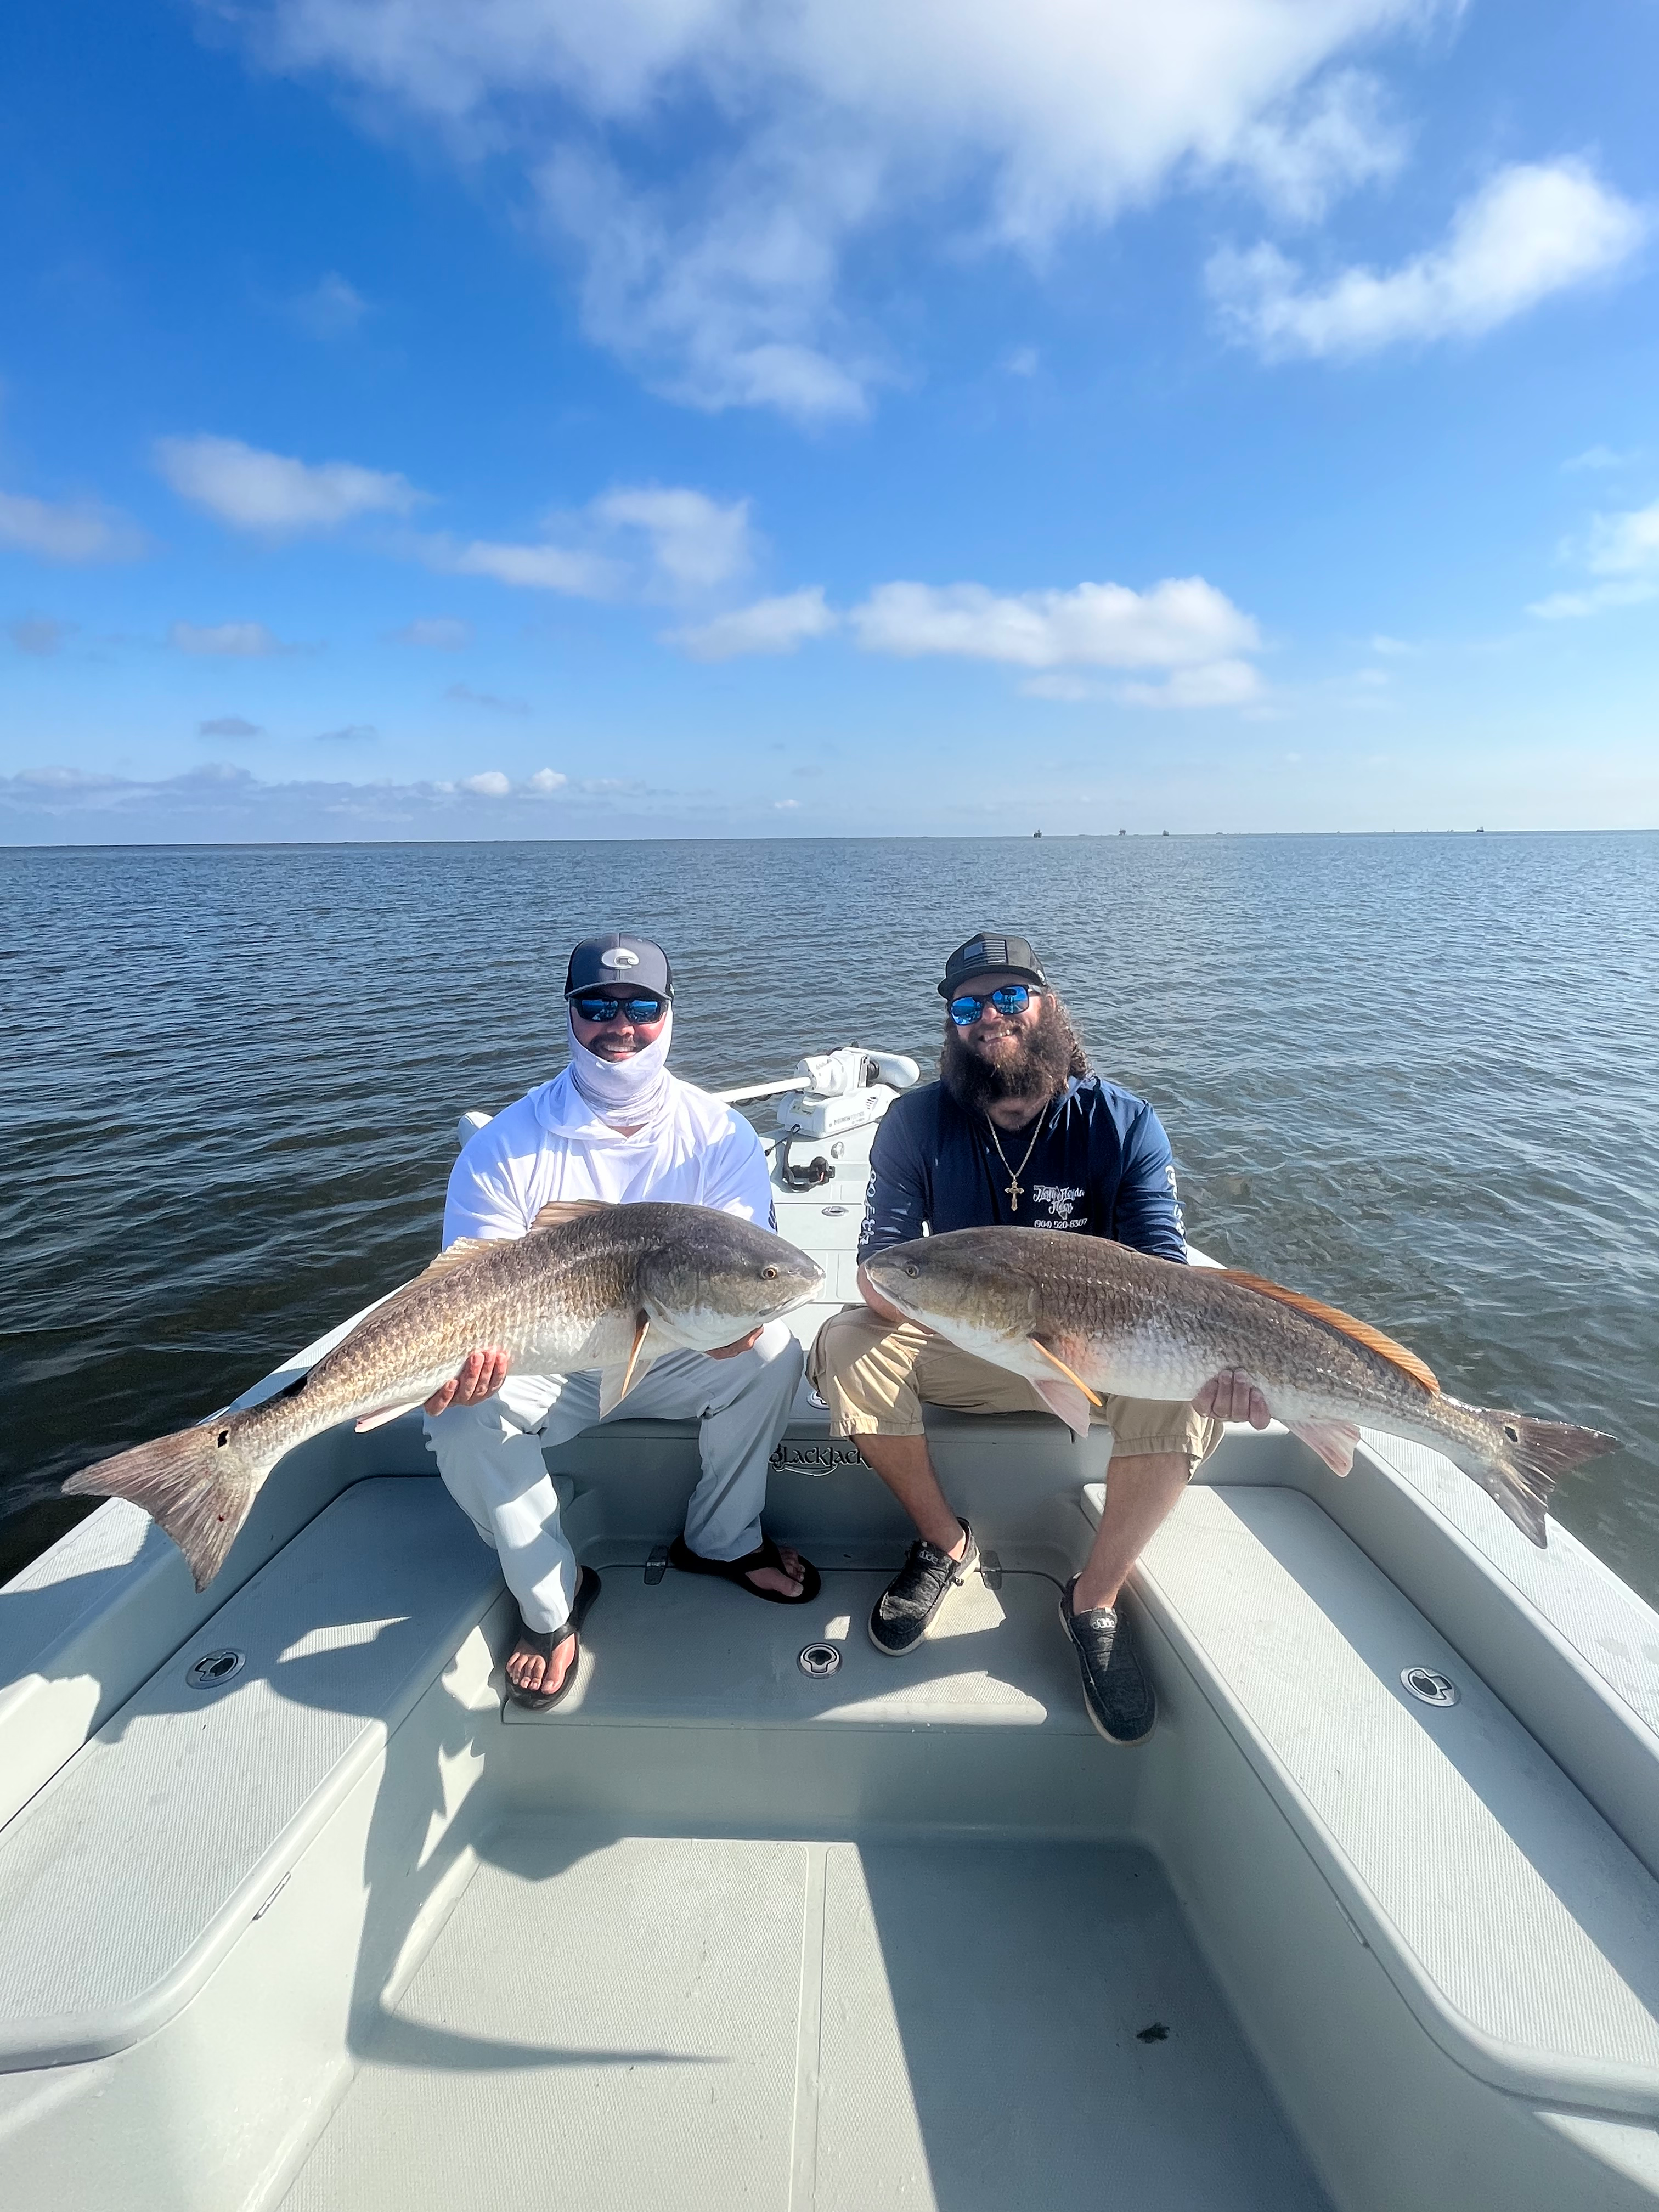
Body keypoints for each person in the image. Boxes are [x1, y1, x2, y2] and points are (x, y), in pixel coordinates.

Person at [808, 930, 1266, 1745]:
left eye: (1009, 997)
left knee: (1189, 1393)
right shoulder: (915, 1122)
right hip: (976, 1345)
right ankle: (944, 1543)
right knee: (844, 1344)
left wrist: (1218, 1362)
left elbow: (1168, 1272)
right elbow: (880, 1269)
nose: (990, 1017)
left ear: (1046, 1006)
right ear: (952, 1027)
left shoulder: (1123, 1122)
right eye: (967, 1007)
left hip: (1103, 1355)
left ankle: (1094, 1597)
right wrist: (950, 1309)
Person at [424, 931, 818, 1711]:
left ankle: (722, 1540)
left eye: (641, 1007)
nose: (621, 1026)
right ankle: (553, 1602)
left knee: (772, 1354)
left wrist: (737, 1319)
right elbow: (467, 1293)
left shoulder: (719, 1134)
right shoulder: (505, 1148)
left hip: (674, 1344)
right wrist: (469, 1365)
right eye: (597, 1006)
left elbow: (747, 1265)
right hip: (542, 1358)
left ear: (669, 1013)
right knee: (463, 1418)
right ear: (570, 1013)